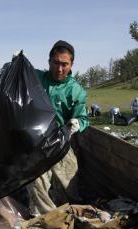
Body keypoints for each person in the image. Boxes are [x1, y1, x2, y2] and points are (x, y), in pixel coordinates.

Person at [23, 40, 89, 216]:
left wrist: (75, 125)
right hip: (36, 142)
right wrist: (15, 64)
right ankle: (42, 216)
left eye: (64, 64)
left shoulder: (76, 91)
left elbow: (83, 118)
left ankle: (69, 208)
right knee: (36, 181)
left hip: (61, 142)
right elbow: (19, 74)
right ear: (49, 61)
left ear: (71, 64)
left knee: (69, 183)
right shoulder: (36, 78)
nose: (59, 69)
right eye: (56, 63)